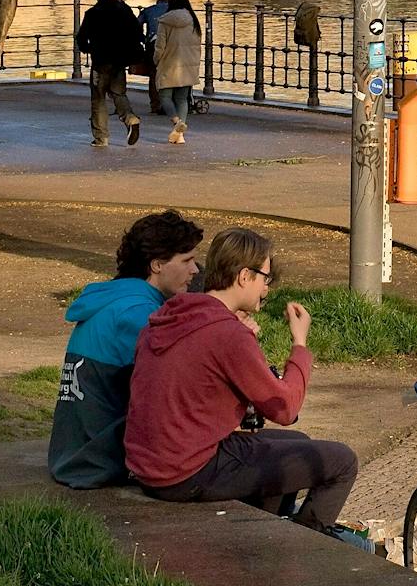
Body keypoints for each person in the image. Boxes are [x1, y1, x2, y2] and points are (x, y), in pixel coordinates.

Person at [124, 226, 358, 532]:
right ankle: (310, 547)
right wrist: (300, 346)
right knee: (342, 461)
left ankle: (266, 535)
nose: (267, 289)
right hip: (187, 473)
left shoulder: (173, 316)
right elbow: (284, 408)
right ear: (244, 276)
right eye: (265, 278)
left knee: (297, 444)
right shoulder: (228, 334)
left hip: (150, 465)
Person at [48, 209, 204, 487]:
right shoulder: (138, 313)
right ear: (157, 265)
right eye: (187, 260)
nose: (195, 270)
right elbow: (179, 390)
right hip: (100, 463)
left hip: (73, 453)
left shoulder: (114, 300)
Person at [76, 0, 143, 148]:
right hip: (119, 59)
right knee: (118, 93)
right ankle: (130, 117)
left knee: (98, 98)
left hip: (100, 60)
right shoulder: (122, 10)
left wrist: (88, 49)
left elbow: (81, 38)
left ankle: (101, 137)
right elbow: (136, 29)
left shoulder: (92, 13)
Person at [152, 0, 201, 146]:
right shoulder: (193, 20)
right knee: (182, 99)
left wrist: (156, 60)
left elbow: (160, 46)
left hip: (169, 63)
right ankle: (180, 135)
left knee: (164, 96)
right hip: (188, 64)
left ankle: (176, 121)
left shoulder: (165, 21)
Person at [138, 0, 172, 116]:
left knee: (154, 75)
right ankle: (169, 104)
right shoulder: (173, 11)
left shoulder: (148, 10)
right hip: (170, 45)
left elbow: (137, 26)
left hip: (152, 44)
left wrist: (143, 39)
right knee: (170, 74)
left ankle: (155, 104)